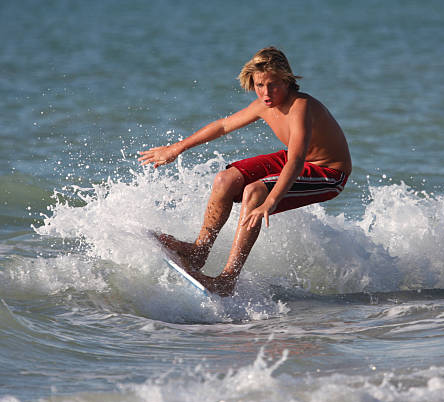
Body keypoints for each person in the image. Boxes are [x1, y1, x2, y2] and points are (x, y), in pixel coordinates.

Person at [138, 46, 352, 296]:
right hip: (296, 160)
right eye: (259, 85)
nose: (265, 92)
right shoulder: (264, 104)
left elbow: (295, 160)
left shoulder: (301, 107)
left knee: (254, 192)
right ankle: (198, 251)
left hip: (328, 173)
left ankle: (227, 280)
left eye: (272, 85)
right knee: (225, 180)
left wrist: (270, 201)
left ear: (287, 80)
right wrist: (177, 148)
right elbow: (223, 125)